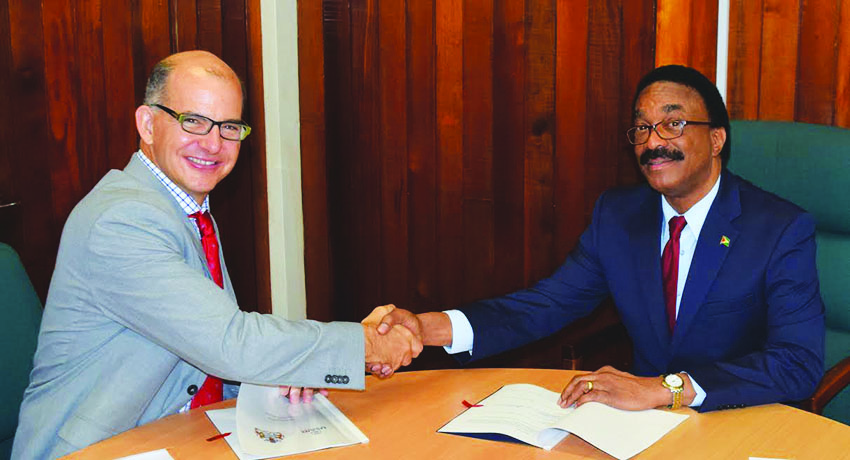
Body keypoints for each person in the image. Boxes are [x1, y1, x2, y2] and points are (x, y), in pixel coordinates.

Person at [12, 50, 421, 459]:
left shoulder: (184, 203)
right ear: (148, 124)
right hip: (99, 448)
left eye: (229, 127)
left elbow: (209, 344)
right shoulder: (122, 220)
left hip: (179, 432)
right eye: (193, 121)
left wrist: (291, 369)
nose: (212, 144)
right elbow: (231, 342)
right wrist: (364, 346)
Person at [373, 65, 825, 414]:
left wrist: (664, 388)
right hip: (641, 428)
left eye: (672, 124)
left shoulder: (780, 229)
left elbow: (797, 363)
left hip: (737, 417)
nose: (653, 142)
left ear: (716, 140)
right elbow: (546, 305)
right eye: (642, 128)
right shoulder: (618, 216)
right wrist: (425, 327)